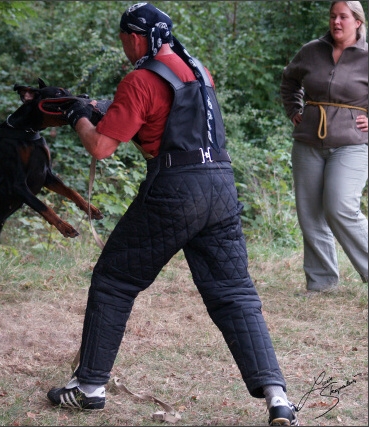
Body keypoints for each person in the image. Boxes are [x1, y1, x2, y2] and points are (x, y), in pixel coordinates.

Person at [47, 3, 298, 426]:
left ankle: (89, 386)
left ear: (136, 38)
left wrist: (77, 117)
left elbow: (101, 147)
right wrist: (104, 106)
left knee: (114, 279)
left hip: (176, 189)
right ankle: (278, 398)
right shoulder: (196, 69)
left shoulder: (139, 78)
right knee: (234, 293)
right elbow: (165, 115)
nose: (124, 45)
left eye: (124, 37)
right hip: (220, 184)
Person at [280, 1, 368, 293]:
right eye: (332, 16)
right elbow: (289, 81)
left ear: (357, 21)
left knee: (340, 206)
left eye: (343, 17)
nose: (336, 22)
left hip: (352, 143)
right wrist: (294, 107)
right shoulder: (312, 50)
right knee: (309, 213)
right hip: (308, 141)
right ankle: (322, 283)